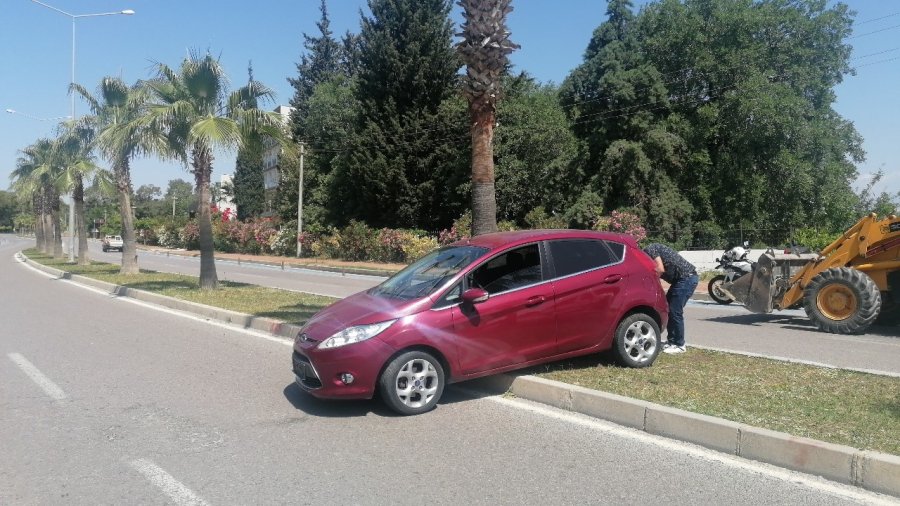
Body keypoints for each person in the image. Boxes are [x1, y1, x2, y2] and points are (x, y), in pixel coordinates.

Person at [642, 243, 699, 354]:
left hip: (686, 278)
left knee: (675, 311)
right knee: (668, 309)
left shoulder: (650, 249)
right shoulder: (649, 250)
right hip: (681, 280)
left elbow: (660, 269)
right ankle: (672, 341)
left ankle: (679, 344)